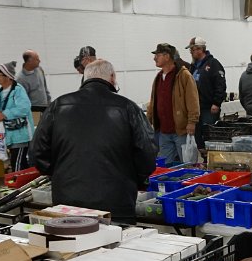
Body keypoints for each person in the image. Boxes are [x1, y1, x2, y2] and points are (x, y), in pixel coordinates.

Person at [31, 59, 157, 224]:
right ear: (112, 77)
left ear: (85, 78)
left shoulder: (58, 106)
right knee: (115, 240)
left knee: (72, 240)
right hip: (116, 202)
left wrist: (59, 173)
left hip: (67, 202)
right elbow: (148, 152)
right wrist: (135, 179)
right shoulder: (128, 107)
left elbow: (36, 152)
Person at [147, 43, 200, 164]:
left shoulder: (184, 76)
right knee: (165, 166)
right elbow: (153, 101)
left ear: (167, 57)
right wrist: (147, 121)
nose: (154, 58)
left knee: (187, 164)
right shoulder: (158, 77)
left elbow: (192, 100)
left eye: (157, 55)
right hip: (163, 132)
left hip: (181, 131)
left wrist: (192, 122)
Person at [0, 61, 34, 172]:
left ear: (8, 77)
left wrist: (5, 114)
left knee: (17, 165)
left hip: (21, 136)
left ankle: (17, 181)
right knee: (20, 163)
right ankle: (25, 180)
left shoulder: (18, 90)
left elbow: (24, 108)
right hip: (8, 136)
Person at [186, 37, 226, 150]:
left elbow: (220, 84)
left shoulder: (213, 64)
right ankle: (202, 154)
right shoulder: (193, 66)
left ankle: (209, 156)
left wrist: (216, 102)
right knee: (198, 137)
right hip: (196, 109)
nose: (191, 52)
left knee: (209, 136)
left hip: (209, 108)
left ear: (200, 49)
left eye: (192, 49)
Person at [17, 49, 51, 125]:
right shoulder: (20, 79)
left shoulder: (39, 69)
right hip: (33, 112)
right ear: (29, 61)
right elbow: (22, 101)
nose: (39, 61)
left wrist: (49, 104)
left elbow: (45, 88)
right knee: (36, 130)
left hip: (45, 109)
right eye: (37, 59)